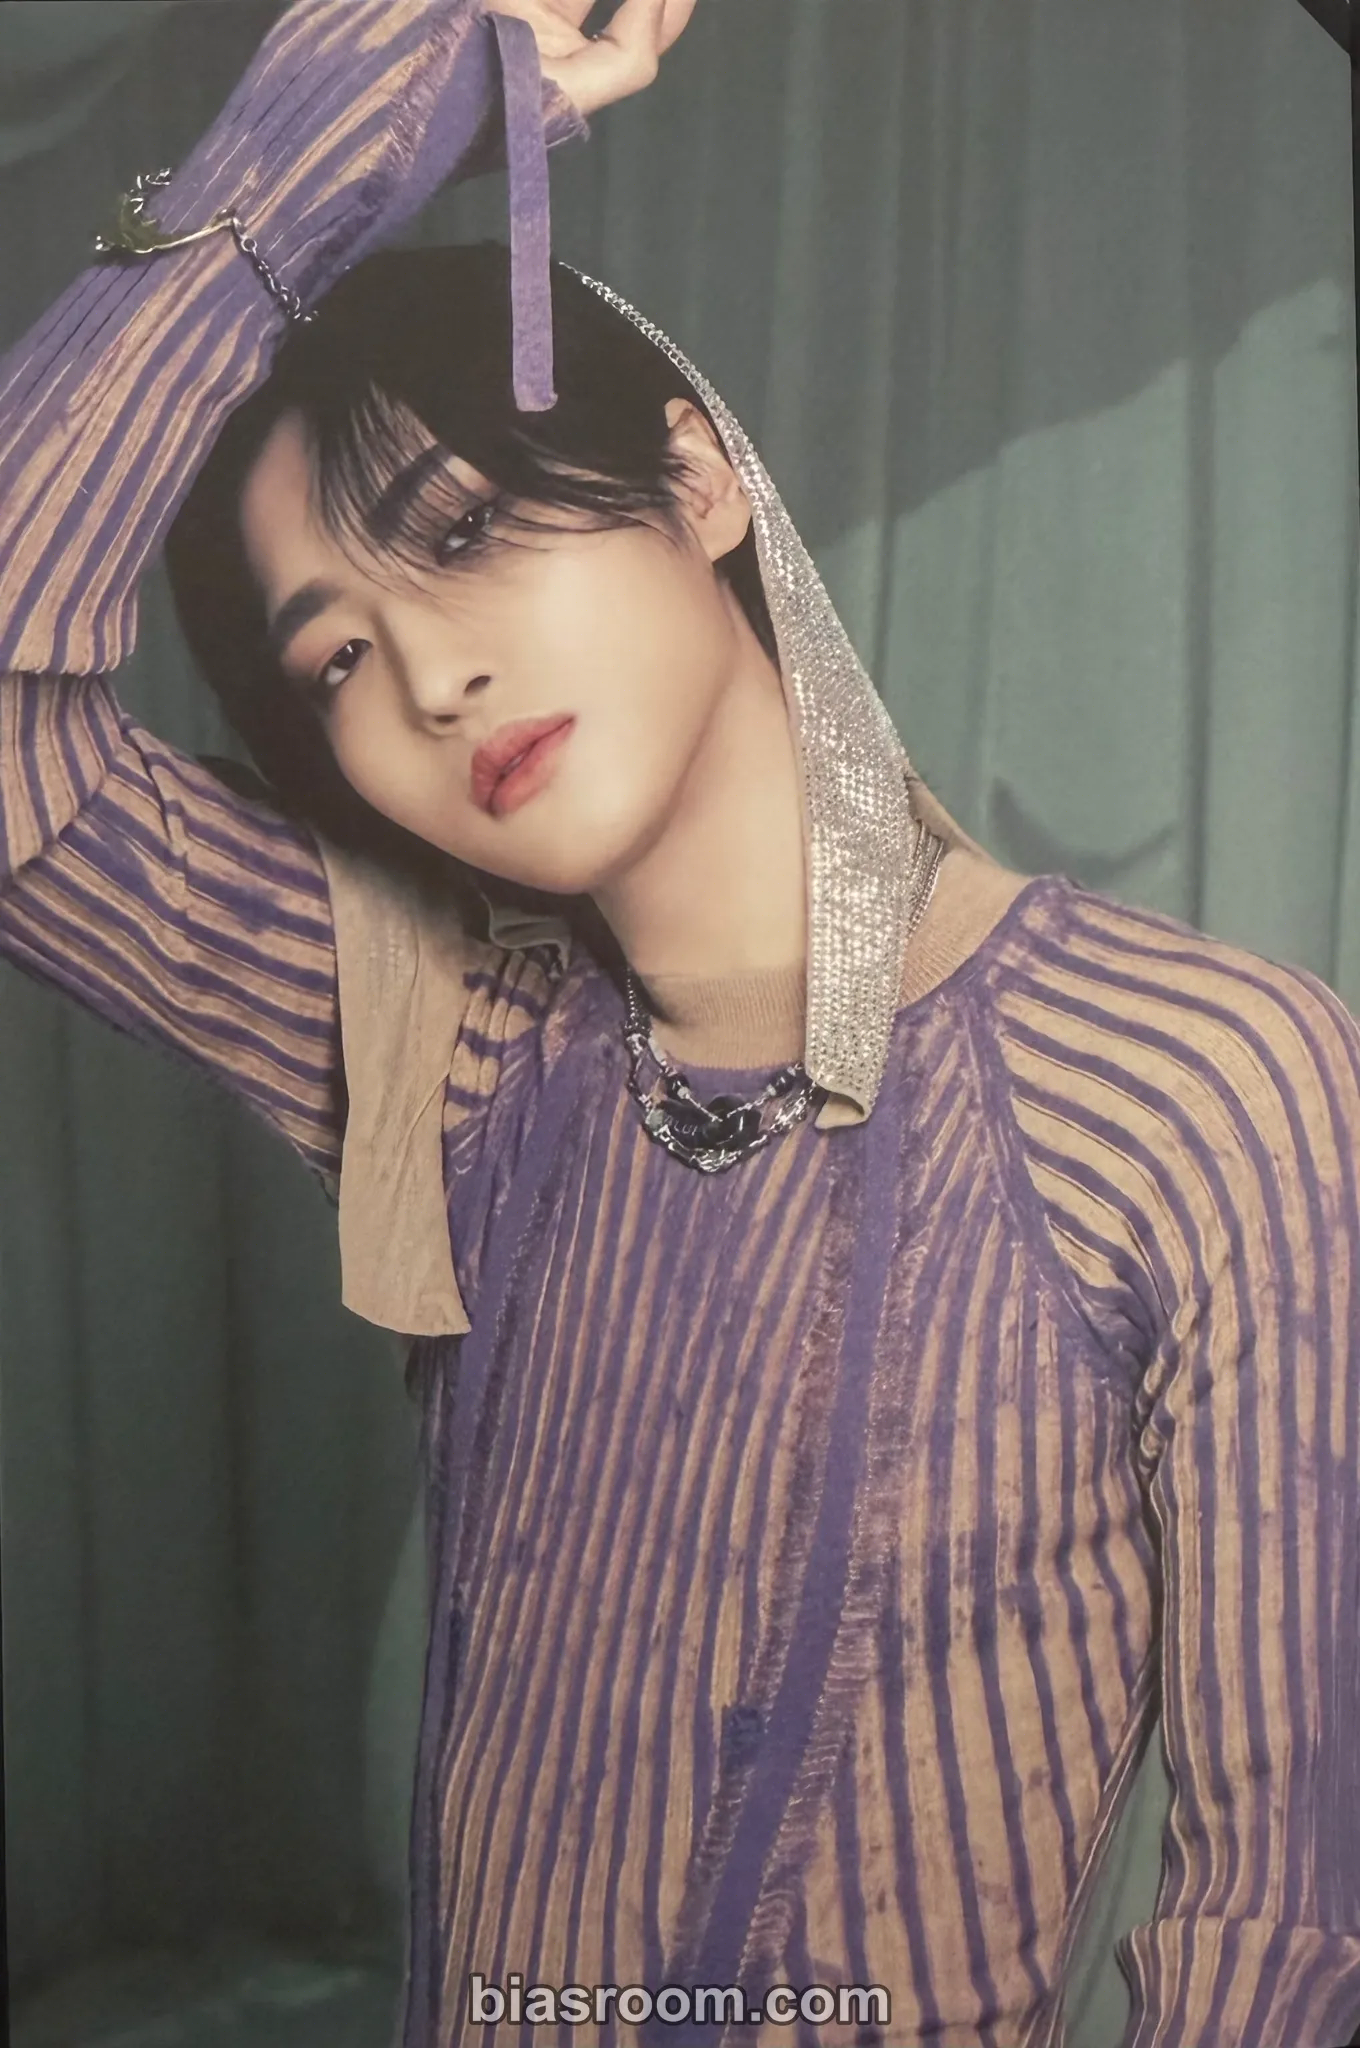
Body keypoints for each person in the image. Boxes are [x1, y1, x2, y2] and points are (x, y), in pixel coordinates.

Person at [1, 4, 1359, 2045]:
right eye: (336, 657)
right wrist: (341, 129)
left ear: (696, 476)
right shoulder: (460, 1057)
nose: (431, 680)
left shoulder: (1199, 1081)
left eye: (461, 531)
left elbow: (1282, 1909)